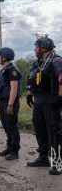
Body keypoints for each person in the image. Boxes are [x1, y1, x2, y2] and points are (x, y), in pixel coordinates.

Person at [26, 36, 62, 175]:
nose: (35, 49)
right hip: (39, 100)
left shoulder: (56, 60)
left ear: (44, 47)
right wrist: (29, 93)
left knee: (54, 131)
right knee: (39, 128)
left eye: (36, 46)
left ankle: (58, 162)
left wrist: (60, 97)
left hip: (51, 101)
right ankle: (43, 157)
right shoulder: (38, 62)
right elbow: (31, 77)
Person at [0, 47, 21, 160]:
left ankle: (15, 151)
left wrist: (10, 104)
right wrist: (1, 102)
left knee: (12, 126)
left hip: (11, 102)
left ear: (4, 57)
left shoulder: (12, 70)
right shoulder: (4, 70)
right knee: (6, 126)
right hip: (4, 101)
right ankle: (9, 147)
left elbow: (14, 88)